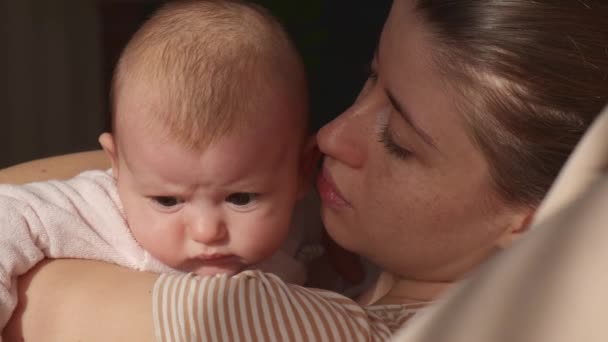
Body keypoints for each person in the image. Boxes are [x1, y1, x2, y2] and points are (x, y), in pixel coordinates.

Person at [3, 0, 608, 340]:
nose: (330, 135)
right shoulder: (355, 247)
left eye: (398, 139)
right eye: (372, 77)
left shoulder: (314, 330)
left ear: (532, 215)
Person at [0, 0, 328, 336]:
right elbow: (11, 213)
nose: (206, 231)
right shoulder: (103, 212)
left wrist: (336, 252)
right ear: (119, 166)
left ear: (301, 171)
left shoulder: (305, 216)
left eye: (241, 198)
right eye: (168, 201)